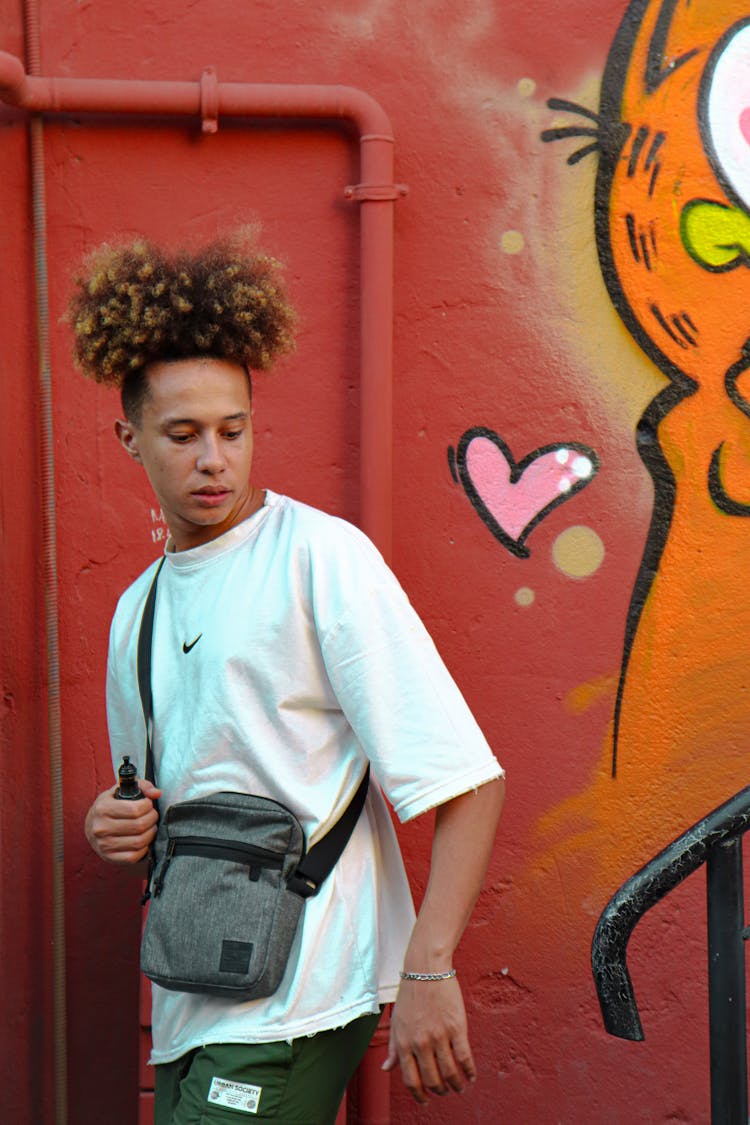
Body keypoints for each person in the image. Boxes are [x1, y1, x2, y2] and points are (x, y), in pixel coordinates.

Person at [74, 233, 505, 1125]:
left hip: (307, 990)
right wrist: (114, 824)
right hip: (192, 997)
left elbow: (469, 782)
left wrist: (426, 968)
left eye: (234, 431)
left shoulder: (320, 559)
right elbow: (159, 811)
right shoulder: (136, 611)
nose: (213, 460)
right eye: (182, 434)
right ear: (129, 437)